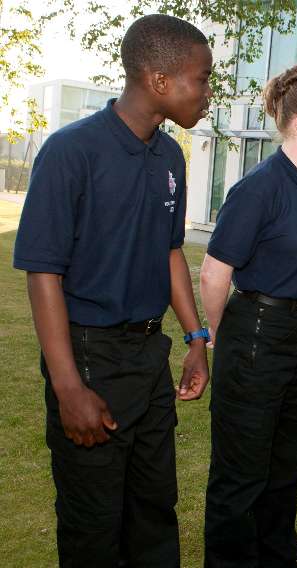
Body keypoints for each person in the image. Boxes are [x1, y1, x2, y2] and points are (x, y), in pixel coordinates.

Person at [12, 14, 212, 567]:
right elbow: (43, 273)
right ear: (160, 81)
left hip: (150, 358)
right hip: (90, 357)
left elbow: (169, 251)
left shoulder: (170, 155)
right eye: (202, 79)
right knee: (94, 527)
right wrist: (68, 385)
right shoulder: (72, 151)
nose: (209, 93)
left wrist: (195, 337)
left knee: (154, 514)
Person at [200, 64, 297, 567]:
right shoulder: (259, 188)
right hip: (257, 335)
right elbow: (214, 271)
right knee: (241, 473)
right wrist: (220, 335)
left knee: (286, 467)